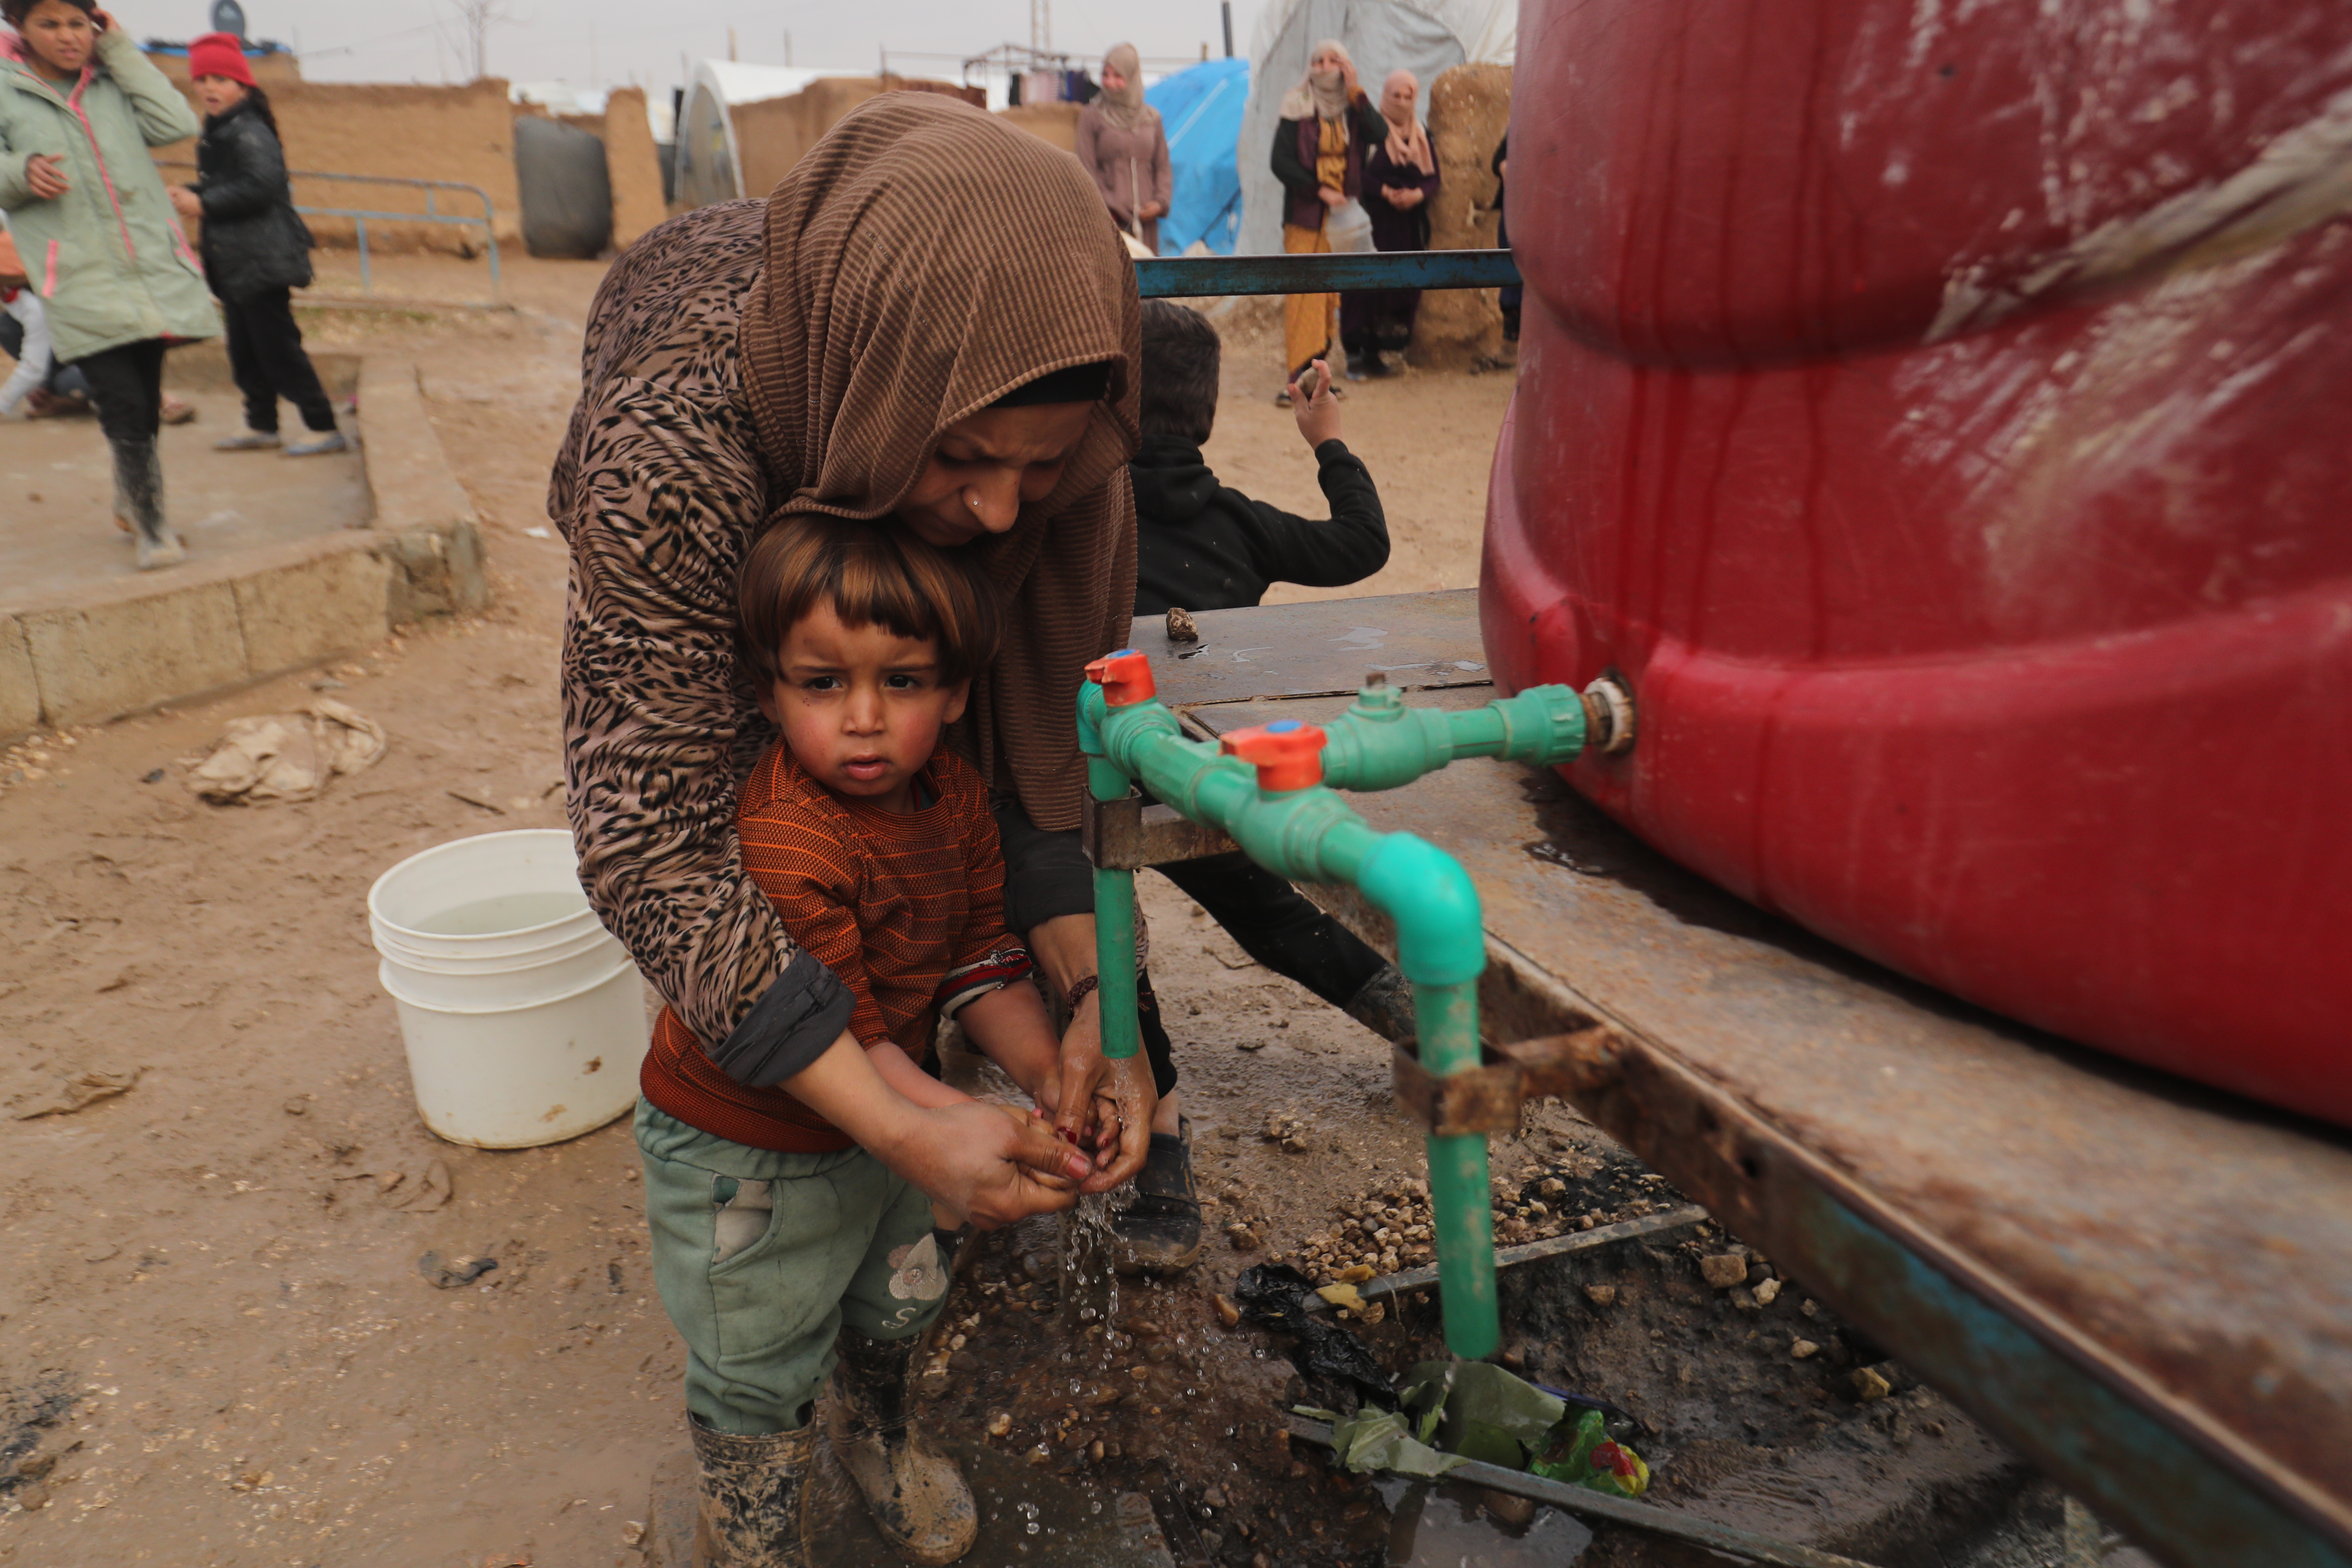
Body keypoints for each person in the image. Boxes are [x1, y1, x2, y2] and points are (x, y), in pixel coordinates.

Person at [548, 95, 1160, 1564]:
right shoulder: (675, 457)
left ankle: (872, 1390)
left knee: (899, 812)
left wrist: (1090, 1008)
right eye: (964, 457)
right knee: (779, 831)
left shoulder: (1054, 463)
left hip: (867, 465)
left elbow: (1035, 758)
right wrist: (896, 1115)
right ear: (891, 394)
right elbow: (655, 840)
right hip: (736, 469)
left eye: (1043, 463)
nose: (1006, 509)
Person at [640, 511, 1092, 1565]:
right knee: (757, 1353)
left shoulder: (955, 796)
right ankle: (752, 1524)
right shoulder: (788, 835)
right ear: (766, 692)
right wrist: (990, 1130)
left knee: (899, 1295)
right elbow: (851, 1043)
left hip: (887, 1124)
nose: (862, 720)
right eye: (821, 683)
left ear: (955, 694)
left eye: (900, 682)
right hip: (742, 1155)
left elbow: (982, 957)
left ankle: (872, 1426)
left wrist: (1049, 1081)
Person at [1126, 299, 1415, 1061]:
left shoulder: (1081, 520)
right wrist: (1328, 443)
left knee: (1067, 918)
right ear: (1208, 418)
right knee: (1278, 921)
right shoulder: (1237, 523)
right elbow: (1362, 542)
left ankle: (1141, 1079)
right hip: (1193, 775)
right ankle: (1435, 1027)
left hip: (1081, 776)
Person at [0, 0, 217, 568]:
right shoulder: (5, 88)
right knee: (120, 397)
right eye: (49, 24)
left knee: (145, 396)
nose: (67, 37)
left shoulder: (112, 81)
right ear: (19, 28)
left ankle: (132, 496)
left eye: (78, 23)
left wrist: (120, 48)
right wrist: (18, 172)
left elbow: (176, 124)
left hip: (146, 266)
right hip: (76, 273)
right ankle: (152, 526)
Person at [168, 32, 343, 456]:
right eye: (203, 79)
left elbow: (261, 187)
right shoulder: (224, 130)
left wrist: (203, 202)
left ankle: (323, 425)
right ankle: (260, 423)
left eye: (221, 79)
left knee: (278, 349)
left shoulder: (248, 131)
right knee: (246, 351)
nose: (210, 87)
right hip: (238, 263)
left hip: (261, 261)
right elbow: (235, 185)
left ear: (243, 86)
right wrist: (192, 192)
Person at [1268, 37, 1384, 404]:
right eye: (1317, 60)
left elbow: (1381, 134)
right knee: (1304, 293)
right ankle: (1295, 382)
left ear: (1346, 66)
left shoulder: (1353, 109)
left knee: (1328, 295)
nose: (1323, 66)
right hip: (1305, 215)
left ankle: (1319, 381)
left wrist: (1357, 90)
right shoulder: (1297, 103)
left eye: (1334, 60)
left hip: (1341, 218)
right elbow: (1280, 161)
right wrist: (1319, 189)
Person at [1340, 69, 1440, 380]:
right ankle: (1355, 356)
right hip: (1372, 223)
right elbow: (1354, 172)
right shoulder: (1371, 131)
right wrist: (1383, 191)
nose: (1401, 101)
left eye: (1407, 96)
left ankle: (1376, 354)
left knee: (1396, 289)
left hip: (1406, 227)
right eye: (1395, 95)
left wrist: (1417, 195)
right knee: (1362, 287)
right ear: (1385, 96)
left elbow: (1433, 177)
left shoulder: (1421, 134)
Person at [1074, 43, 1170, 254]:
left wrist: (1159, 203)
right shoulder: (1092, 116)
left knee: (1147, 281)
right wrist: (1115, 206)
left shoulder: (1151, 119)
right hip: (1108, 221)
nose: (1110, 83)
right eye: (1105, 75)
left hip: (1146, 224)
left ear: (1133, 77)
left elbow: (1163, 167)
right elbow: (1086, 170)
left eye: (1118, 76)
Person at [1492, 132, 1519, 358]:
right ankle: (1509, 349)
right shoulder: (1520, 123)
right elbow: (1498, 157)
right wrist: (1503, 166)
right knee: (1509, 276)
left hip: (1540, 211)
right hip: (1512, 210)